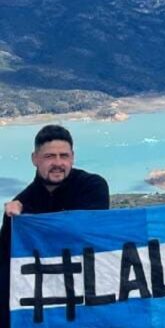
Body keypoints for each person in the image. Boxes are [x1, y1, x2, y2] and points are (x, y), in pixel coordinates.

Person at [0, 125, 109, 326]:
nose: (58, 163)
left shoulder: (93, 186)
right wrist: (14, 220)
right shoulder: (19, 208)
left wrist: (31, 218)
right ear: (35, 159)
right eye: (50, 156)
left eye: (64, 156)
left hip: (91, 296)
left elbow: (84, 231)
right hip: (48, 305)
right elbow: (7, 268)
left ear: (73, 157)